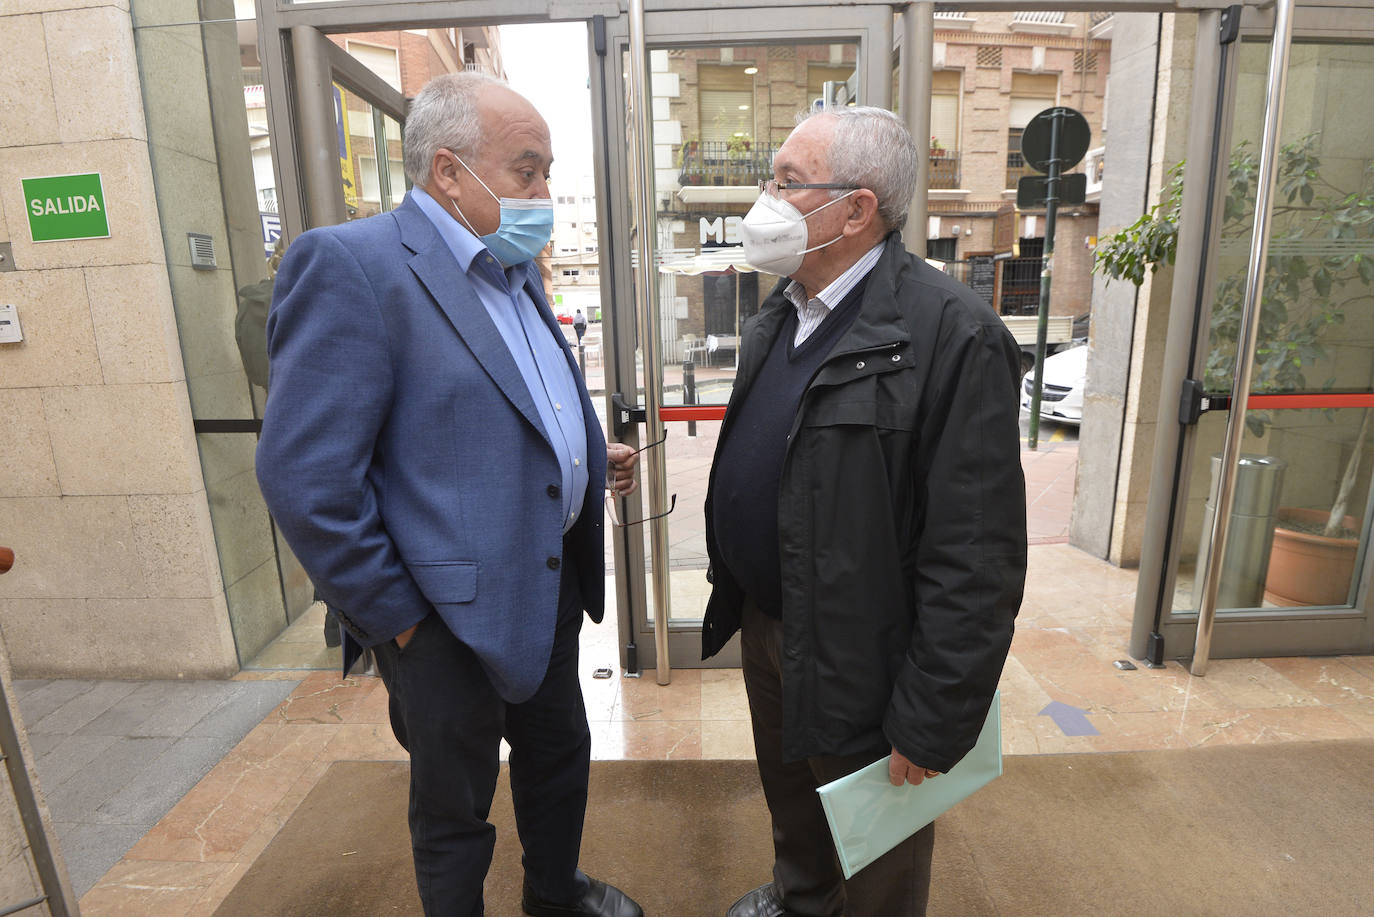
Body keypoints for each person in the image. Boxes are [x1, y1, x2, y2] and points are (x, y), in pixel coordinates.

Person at [255, 72, 644, 917]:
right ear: (447, 171)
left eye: (549, 173)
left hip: (546, 590)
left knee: (559, 758)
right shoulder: (352, 266)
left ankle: (554, 894)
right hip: (439, 619)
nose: (546, 194)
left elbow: (504, 406)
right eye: (528, 171)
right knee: (454, 808)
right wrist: (400, 618)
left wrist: (581, 451)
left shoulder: (516, 270)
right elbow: (305, 478)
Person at [703, 107, 1027, 917]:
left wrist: (931, 716)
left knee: (876, 843)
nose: (766, 200)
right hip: (774, 625)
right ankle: (802, 896)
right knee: (796, 801)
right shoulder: (782, 312)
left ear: (856, 208)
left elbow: (977, 554)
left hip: (869, 655)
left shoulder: (953, 335)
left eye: (786, 181)